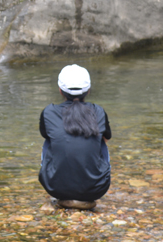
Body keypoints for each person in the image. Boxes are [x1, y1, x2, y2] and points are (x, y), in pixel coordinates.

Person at [39, 65, 111, 209]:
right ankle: (91, 179)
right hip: (96, 189)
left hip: (55, 187)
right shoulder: (98, 111)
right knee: (101, 139)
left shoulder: (49, 112)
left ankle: (61, 182)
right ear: (88, 90)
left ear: (60, 91)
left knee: (50, 140)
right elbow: (106, 138)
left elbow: (46, 135)